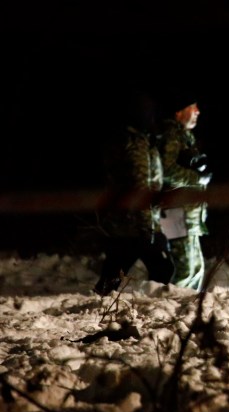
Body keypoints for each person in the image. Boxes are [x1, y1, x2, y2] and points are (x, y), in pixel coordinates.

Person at [94, 88, 175, 295]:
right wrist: (149, 227)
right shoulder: (136, 144)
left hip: (124, 222)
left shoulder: (125, 140)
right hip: (137, 223)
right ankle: (156, 308)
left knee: (115, 270)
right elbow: (139, 187)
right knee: (163, 269)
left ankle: (101, 304)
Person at [155, 88, 211, 292]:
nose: (198, 111)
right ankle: (169, 309)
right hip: (175, 211)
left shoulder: (183, 136)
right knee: (185, 269)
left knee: (196, 268)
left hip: (187, 211)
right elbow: (166, 171)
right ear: (178, 112)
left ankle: (186, 311)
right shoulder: (171, 135)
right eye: (192, 107)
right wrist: (197, 178)